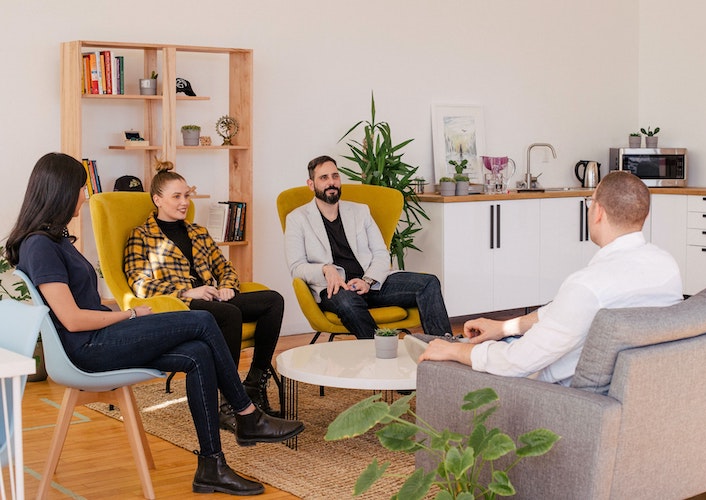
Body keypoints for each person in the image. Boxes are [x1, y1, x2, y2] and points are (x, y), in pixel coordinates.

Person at [7, 152, 304, 496]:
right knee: (204, 320)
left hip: (101, 335)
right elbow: (71, 320)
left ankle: (212, 466)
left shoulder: (54, 240)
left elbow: (79, 305)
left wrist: (114, 314)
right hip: (87, 349)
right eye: (79, 188)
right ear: (59, 191)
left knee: (197, 354)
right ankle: (247, 414)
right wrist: (129, 314)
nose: (84, 197)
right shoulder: (40, 246)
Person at [420, 171, 684, 383]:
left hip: (556, 394)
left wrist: (456, 351)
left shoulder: (588, 286)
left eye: (590, 202)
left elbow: (516, 363)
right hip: (629, 388)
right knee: (475, 343)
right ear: (645, 215)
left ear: (599, 212)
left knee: (446, 349)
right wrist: (505, 328)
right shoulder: (666, 267)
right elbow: (564, 313)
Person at [124, 161, 284, 429]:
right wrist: (188, 291)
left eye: (186, 195)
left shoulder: (198, 232)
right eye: (177, 196)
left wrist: (228, 286)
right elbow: (139, 284)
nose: (184, 202)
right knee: (229, 314)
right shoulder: (141, 236)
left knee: (273, 300)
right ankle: (229, 402)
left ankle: (254, 383)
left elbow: (225, 266)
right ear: (157, 200)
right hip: (180, 305)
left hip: (213, 298)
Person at [284, 155, 452, 339]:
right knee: (348, 303)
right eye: (324, 178)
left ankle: (443, 348)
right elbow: (296, 267)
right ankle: (382, 353)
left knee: (429, 282)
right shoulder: (297, 219)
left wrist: (368, 280)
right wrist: (325, 269)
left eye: (335, 176)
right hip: (335, 289)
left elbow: (381, 252)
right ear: (311, 184)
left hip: (371, 284)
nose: (331, 182)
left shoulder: (360, 211)